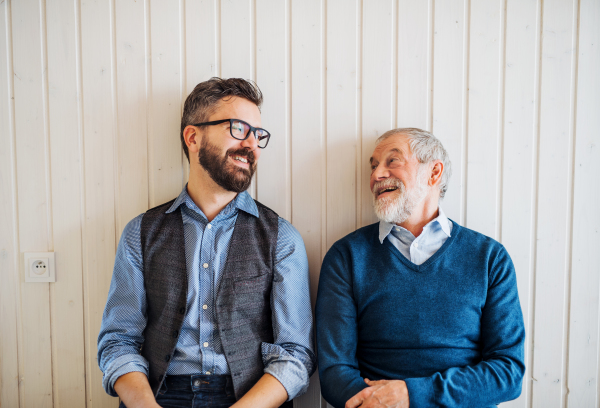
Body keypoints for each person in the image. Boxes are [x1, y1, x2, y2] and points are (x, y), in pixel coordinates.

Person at [98, 77, 316, 408]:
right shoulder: (140, 232)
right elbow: (118, 341)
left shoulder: (281, 237)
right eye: (238, 129)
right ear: (193, 136)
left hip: (249, 398)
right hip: (158, 396)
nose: (252, 144)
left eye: (258, 135)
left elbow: (296, 355)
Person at [316, 128, 525, 408]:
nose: (377, 175)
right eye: (374, 165)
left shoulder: (489, 258)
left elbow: (507, 373)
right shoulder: (347, 256)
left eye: (393, 161)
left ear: (434, 173)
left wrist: (410, 395)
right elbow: (334, 372)